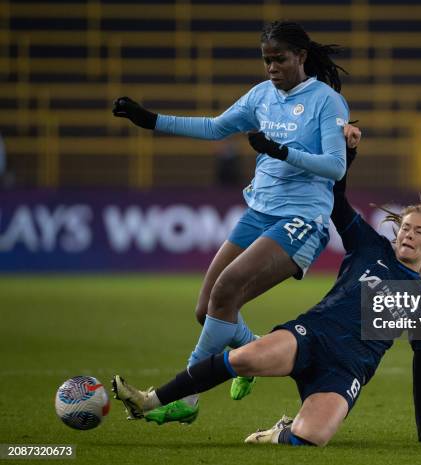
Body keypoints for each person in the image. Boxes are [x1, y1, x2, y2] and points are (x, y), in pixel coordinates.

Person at [112, 151, 421, 445]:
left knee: (311, 437)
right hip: (311, 336)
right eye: (405, 227)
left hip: (346, 371)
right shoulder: (368, 246)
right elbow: (338, 199)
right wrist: (347, 153)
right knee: (243, 360)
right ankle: (152, 399)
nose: (408, 234)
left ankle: (280, 432)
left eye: (419, 231)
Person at [112, 21, 352, 423]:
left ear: (301, 57)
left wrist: (279, 150)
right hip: (258, 211)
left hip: (301, 218)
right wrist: (150, 120)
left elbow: (334, 166)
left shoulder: (326, 102)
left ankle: (182, 397)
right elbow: (214, 127)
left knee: (227, 291)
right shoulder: (261, 95)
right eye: (266, 60)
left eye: (280, 59)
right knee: (207, 310)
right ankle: (251, 349)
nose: (272, 68)